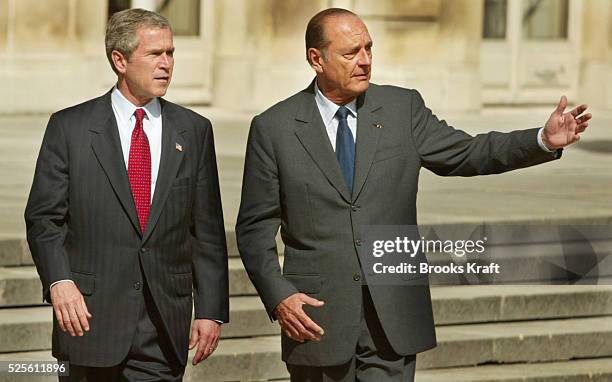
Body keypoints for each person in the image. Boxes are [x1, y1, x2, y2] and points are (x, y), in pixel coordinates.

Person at [235, 8, 591, 382]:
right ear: (316, 59)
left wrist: (542, 140)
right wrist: (279, 296)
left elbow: (470, 152)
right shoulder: (274, 128)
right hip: (318, 317)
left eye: (369, 49)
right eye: (351, 52)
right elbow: (255, 228)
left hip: (393, 317)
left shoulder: (402, 109)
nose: (365, 60)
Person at [24, 8, 228, 381]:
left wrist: (210, 309)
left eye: (170, 53)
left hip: (163, 326)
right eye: (154, 54)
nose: (166, 64)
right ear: (119, 60)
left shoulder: (194, 130)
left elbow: (207, 232)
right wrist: (59, 280)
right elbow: (43, 219)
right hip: (89, 321)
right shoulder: (70, 128)